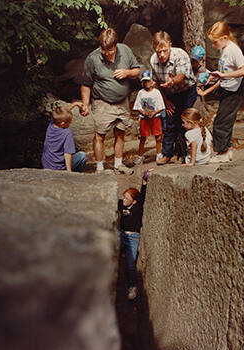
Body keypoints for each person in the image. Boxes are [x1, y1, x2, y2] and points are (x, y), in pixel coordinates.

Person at [80, 28, 141, 174]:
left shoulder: (125, 50)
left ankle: (118, 164)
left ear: (116, 45)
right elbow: (86, 84)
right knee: (99, 135)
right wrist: (85, 104)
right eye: (104, 50)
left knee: (120, 133)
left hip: (122, 102)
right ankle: (100, 168)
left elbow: (137, 70)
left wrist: (127, 72)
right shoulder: (93, 58)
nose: (107, 54)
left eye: (110, 51)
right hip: (103, 102)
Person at [150, 30, 197, 165]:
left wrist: (172, 81)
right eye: (159, 52)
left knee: (185, 122)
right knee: (170, 124)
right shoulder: (153, 60)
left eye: (164, 50)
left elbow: (181, 75)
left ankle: (185, 154)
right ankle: (167, 154)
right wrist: (166, 101)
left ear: (170, 45)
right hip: (170, 94)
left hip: (187, 91)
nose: (162, 55)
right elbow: (157, 83)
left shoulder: (180, 54)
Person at [208, 21, 244, 163]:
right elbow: (227, 69)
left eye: (215, 42)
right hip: (226, 89)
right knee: (225, 120)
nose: (214, 46)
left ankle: (222, 153)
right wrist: (215, 77)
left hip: (234, 90)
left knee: (220, 122)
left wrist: (223, 76)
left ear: (225, 38)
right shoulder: (224, 49)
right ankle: (228, 149)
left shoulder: (233, 50)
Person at [118, 169, 150, 300]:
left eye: (127, 198)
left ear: (134, 201)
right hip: (121, 234)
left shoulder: (137, 207)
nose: (124, 199)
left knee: (130, 264)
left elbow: (142, 195)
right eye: (124, 196)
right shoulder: (121, 204)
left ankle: (132, 286)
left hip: (133, 237)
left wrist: (144, 181)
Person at [41, 102, 86, 172]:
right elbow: (67, 153)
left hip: (47, 164)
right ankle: (79, 176)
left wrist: (75, 104)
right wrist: (68, 172)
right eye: (69, 122)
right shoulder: (67, 133)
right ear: (63, 123)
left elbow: (61, 114)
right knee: (82, 156)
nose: (70, 123)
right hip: (59, 167)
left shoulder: (52, 124)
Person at [133, 70, 165, 165]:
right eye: (144, 81)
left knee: (158, 136)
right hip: (144, 118)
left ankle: (159, 154)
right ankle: (140, 156)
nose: (146, 83)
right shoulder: (141, 93)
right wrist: (144, 112)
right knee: (143, 137)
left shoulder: (156, 92)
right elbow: (138, 106)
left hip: (155, 118)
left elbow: (161, 107)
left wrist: (154, 112)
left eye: (148, 81)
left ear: (152, 81)